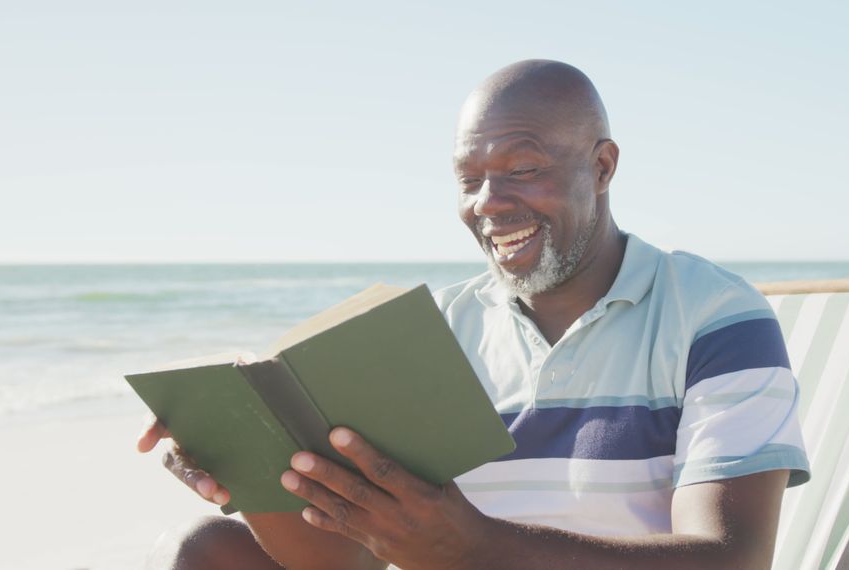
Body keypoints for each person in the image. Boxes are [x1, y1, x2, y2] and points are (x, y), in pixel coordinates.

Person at [138, 59, 811, 569]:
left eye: (522, 168)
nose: (488, 201)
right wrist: (244, 465)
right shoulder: (432, 332)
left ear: (602, 166)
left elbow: (731, 559)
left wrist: (478, 546)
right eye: (469, 178)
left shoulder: (714, 316)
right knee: (209, 548)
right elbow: (350, 559)